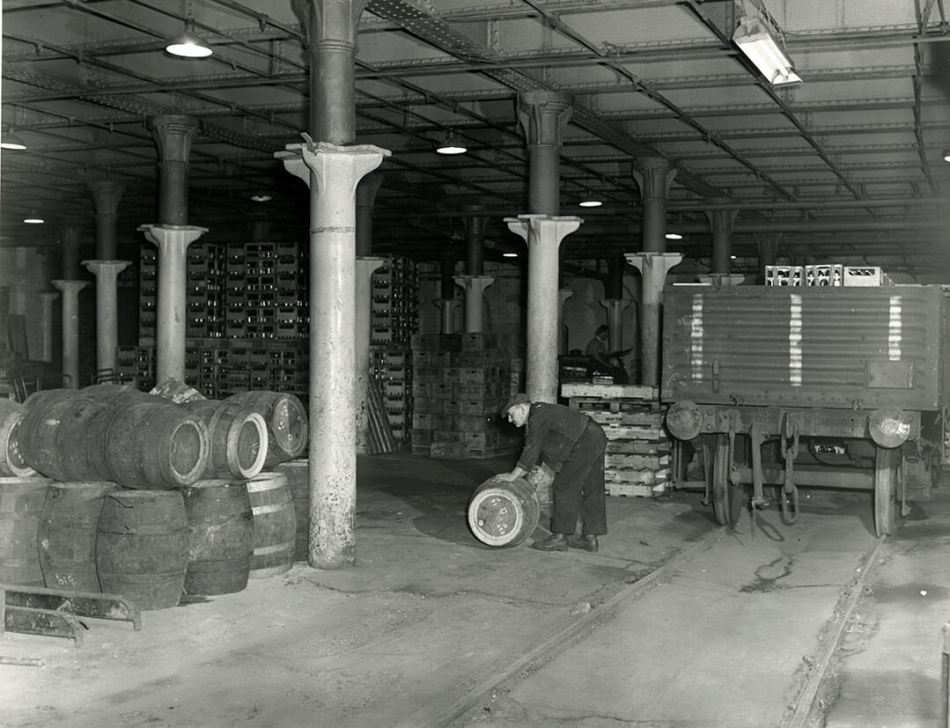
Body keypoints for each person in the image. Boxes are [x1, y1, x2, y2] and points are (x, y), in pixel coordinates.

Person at [497, 393, 607, 552]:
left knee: (563, 486)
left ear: (521, 408)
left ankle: (559, 538)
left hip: (585, 440)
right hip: (595, 434)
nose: (509, 419)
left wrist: (513, 475)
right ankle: (590, 538)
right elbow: (542, 448)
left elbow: (531, 449)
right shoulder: (542, 413)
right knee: (592, 486)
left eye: (510, 414)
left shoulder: (537, 416)